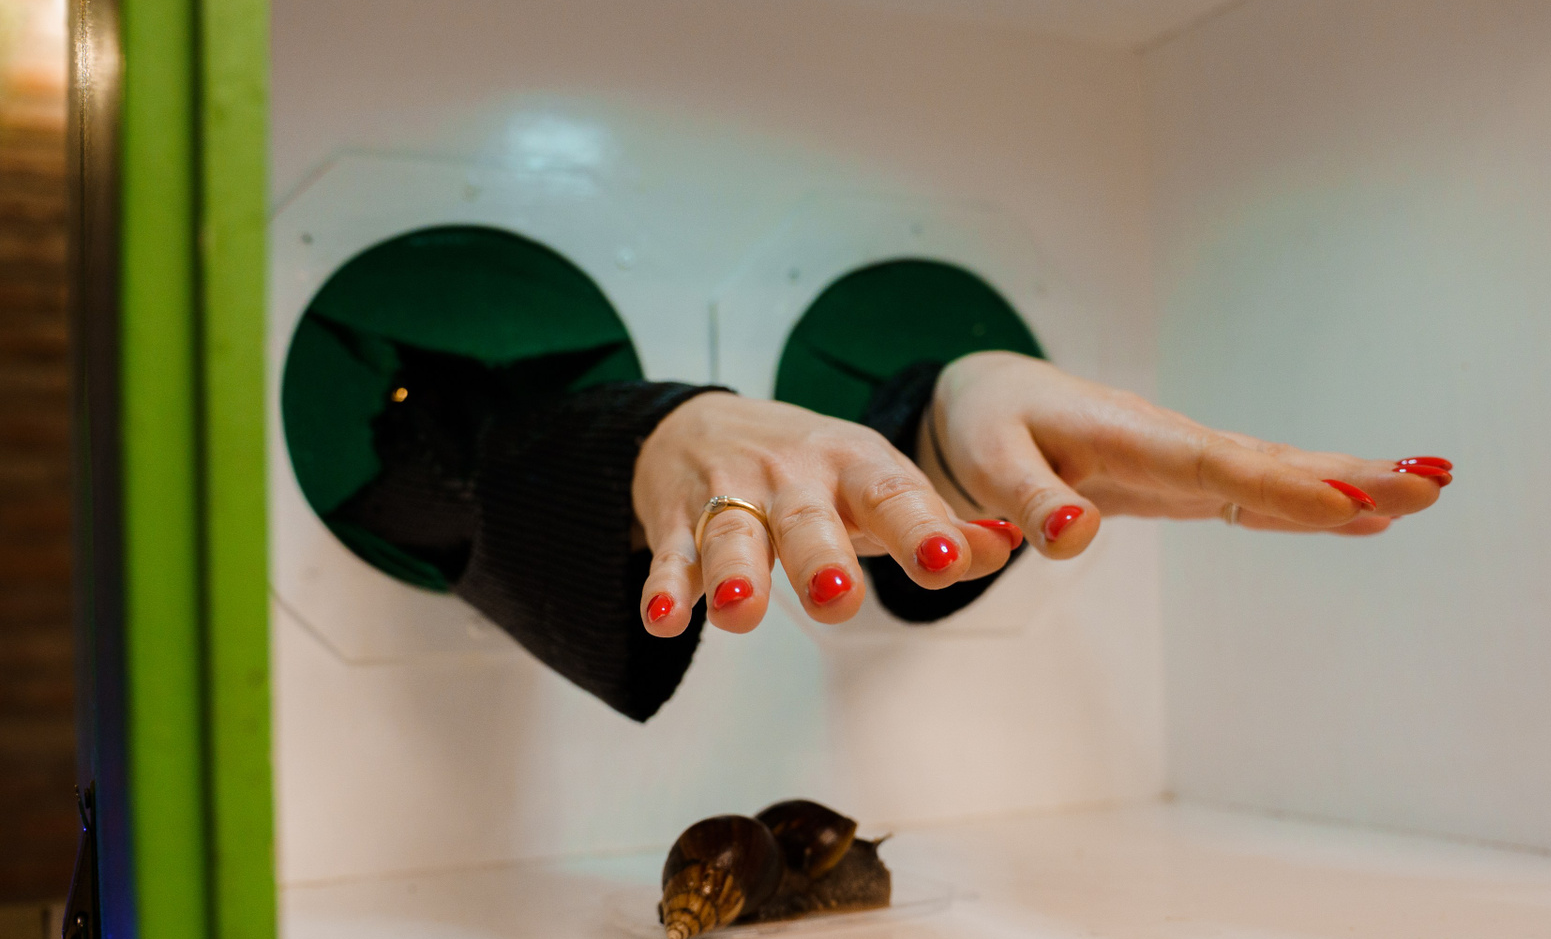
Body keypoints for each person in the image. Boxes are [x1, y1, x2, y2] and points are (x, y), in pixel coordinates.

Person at [354, 347, 1452, 720]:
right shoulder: (425, 463)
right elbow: (453, 474)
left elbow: (876, 521)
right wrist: (653, 440)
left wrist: (947, 427)